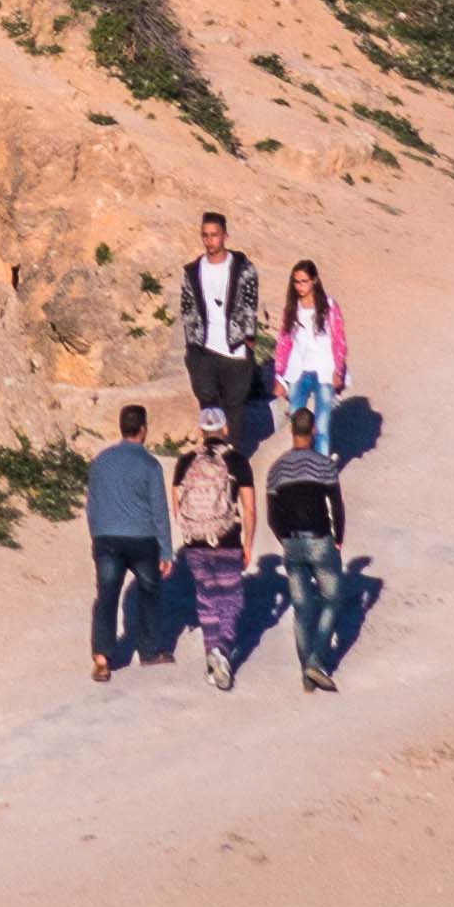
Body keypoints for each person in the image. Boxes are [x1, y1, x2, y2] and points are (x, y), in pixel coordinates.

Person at [262, 395, 354, 691]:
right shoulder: (324, 465)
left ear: (292, 431)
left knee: (302, 608)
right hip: (319, 539)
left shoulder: (276, 469)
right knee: (334, 598)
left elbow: (272, 515)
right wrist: (338, 538)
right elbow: (336, 506)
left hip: (291, 543)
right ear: (313, 430)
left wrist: (284, 538)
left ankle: (307, 675)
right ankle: (315, 661)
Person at [169, 414, 258, 690]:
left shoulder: (185, 462)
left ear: (200, 430)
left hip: (194, 541)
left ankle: (212, 658)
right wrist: (247, 543)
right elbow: (249, 508)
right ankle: (222, 647)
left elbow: (176, 505)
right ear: (225, 429)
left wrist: (192, 528)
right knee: (231, 597)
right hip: (227, 538)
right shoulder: (238, 461)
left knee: (206, 597)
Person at [86, 401, 171, 680]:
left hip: (106, 537)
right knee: (149, 591)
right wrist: (166, 551)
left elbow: (92, 505)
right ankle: (149, 651)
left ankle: (101, 657)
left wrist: (96, 536)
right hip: (142, 539)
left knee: (107, 595)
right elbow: (159, 511)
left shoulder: (100, 461)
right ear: (143, 430)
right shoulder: (150, 464)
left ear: (121, 428)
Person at [179, 212, 267, 452]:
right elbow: (187, 307)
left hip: (235, 349)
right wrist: (192, 343)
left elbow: (250, 303)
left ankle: (232, 458)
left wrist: (247, 339)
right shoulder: (192, 272)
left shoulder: (244, 269)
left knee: (234, 406)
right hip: (204, 348)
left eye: (214, 235)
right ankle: (211, 454)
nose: (210, 241)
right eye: (205, 236)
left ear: (225, 236)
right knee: (207, 403)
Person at [274, 258, 351, 437]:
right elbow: (283, 342)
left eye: (303, 281)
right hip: (298, 370)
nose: (299, 286)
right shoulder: (292, 308)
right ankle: (302, 462)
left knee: (322, 426)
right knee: (297, 424)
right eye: (296, 282)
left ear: (314, 280)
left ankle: (321, 463)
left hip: (324, 370)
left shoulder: (329, 306)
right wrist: (279, 375)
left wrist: (338, 370)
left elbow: (339, 340)